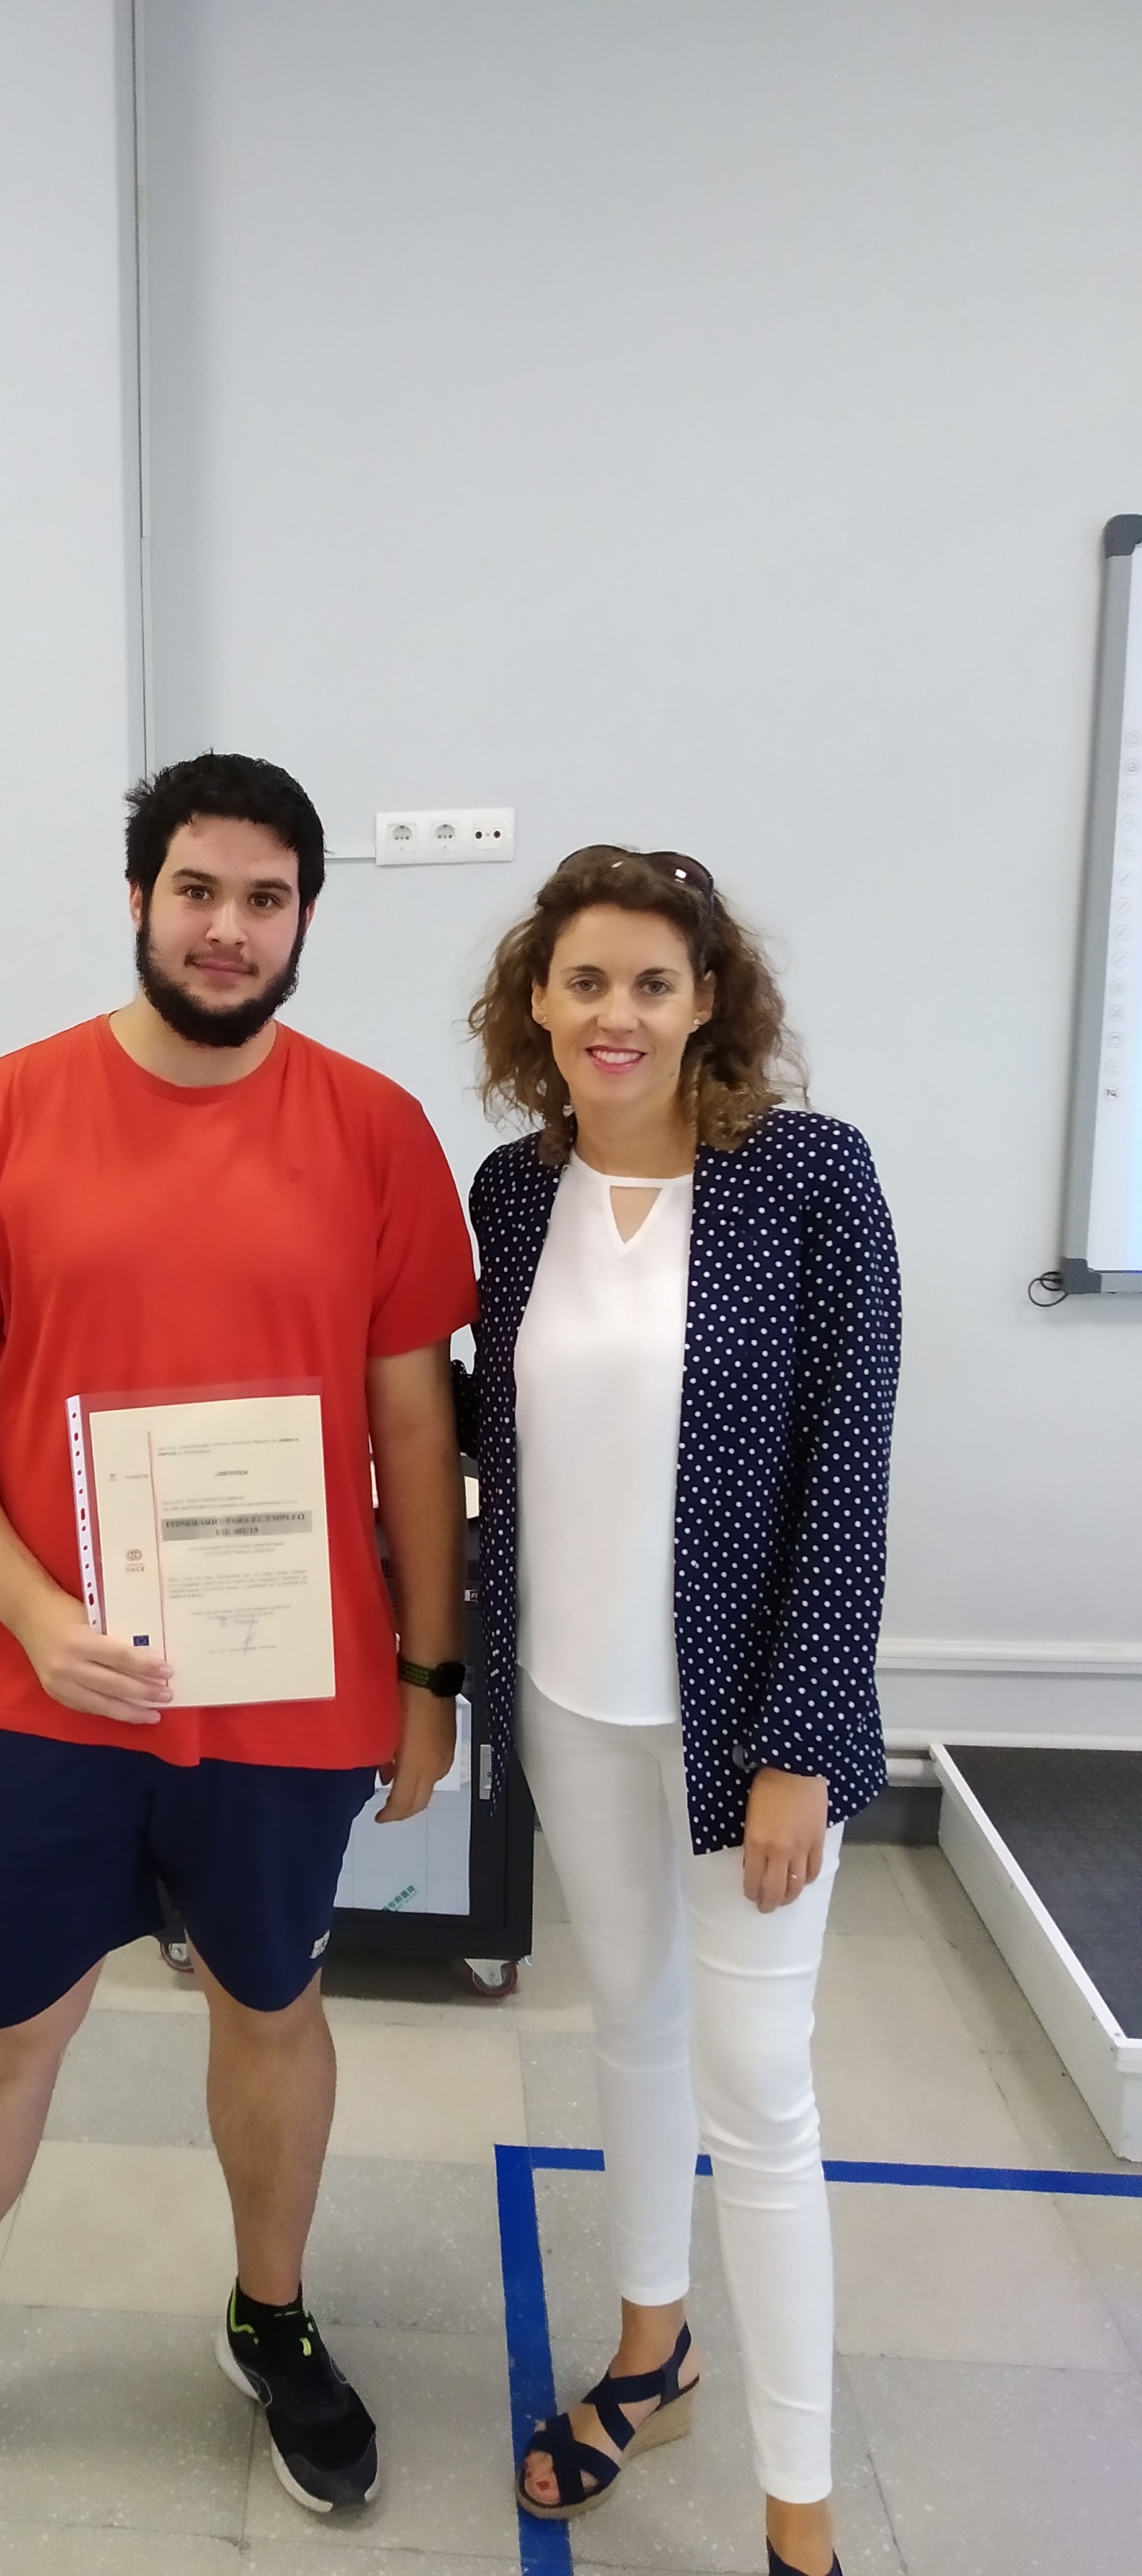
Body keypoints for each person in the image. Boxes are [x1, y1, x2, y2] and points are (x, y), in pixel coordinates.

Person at [0, 751, 476, 2576]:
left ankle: (271, 2318)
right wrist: (31, 1608)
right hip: (44, 1695)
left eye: (266, 898)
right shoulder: (3, 1117)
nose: (229, 929)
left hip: (292, 1692)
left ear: (305, 917)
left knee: (273, 2008)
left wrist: (432, 1675)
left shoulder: (377, 1131)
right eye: (197, 891)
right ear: (141, 899)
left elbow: (412, 1424)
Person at [466, 846, 899, 2576]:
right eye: (585, 982)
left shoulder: (808, 1176)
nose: (618, 1015)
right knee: (630, 2031)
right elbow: (489, 1427)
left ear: (709, 1000)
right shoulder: (515, 1193)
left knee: (760, 2093)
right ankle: (654, 2354)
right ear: (539, 1004)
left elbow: (849, 1471)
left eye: (653, 983)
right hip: (569, 1699)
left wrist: (802, 1743)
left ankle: (801, 2522)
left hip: (749, 1727)